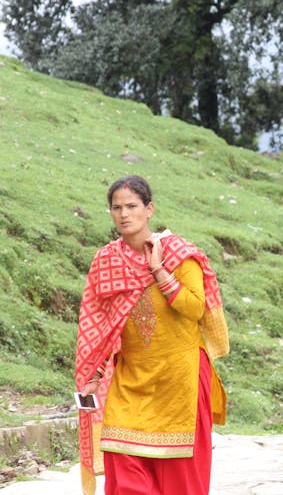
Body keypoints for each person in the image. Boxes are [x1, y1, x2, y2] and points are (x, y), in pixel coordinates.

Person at [75, 175, 229, 495]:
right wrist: (96, 372)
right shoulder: (107, 261)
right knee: (122, 461)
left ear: (149, 209)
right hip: (131, 379)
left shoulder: (178, 253)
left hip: (181, 380)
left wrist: (159, 270)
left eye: (132, 206)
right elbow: (103, 326)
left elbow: (196, 309)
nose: (124, 214)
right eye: (116, 208)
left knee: (180, 477)